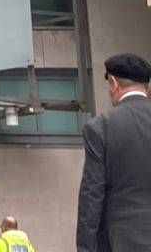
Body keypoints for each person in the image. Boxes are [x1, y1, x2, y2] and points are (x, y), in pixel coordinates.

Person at [77, 53, 151, 252]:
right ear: (147, 86)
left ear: (114, 83)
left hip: (120, 242)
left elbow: (91, 197)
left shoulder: (101, 127)